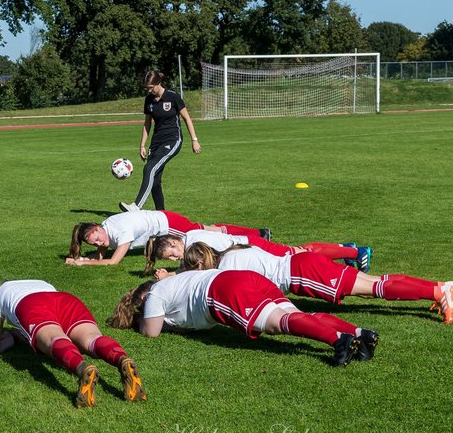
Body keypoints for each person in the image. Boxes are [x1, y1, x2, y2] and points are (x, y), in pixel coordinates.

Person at [108, 269, 379, 366]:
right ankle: (358, 333)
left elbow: (151, 333)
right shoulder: (174, 282)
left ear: (143, 298)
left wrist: (140, 321)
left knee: (276, 324)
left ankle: (338, 340)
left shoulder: (155, 294)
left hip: (223, 291)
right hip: (243, 277)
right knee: (294, 315)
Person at [163, 239, 453, 324]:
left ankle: (439, 290)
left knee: (373, 288)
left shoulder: (225, 267)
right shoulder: (234, 250)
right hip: (302, 264)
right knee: (375, 281)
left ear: (200, 264)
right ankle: (437, 289)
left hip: (302, 273)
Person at [0, 279, 144, 408]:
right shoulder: (40, 282)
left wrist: (14, 335)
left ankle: (82, 368)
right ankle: (122, 359)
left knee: (54, 339)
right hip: (65, 299)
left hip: (30, 303)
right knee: (92, 339)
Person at [66, 208, 272, 268]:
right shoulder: (105, 227)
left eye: (99, 239)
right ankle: (258, 234)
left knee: (211, 233)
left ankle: (257, 235)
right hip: (164, 218)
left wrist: (83, 264)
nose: (101, 244)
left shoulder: (120, 231)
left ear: (97, 227)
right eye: (95, 243)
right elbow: (101, 256)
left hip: (168, 224)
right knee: (209, 230)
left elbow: (112, 261)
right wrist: (83, 258)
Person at [141, 231, 372, 277]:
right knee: (298, 254)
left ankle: (355, 251)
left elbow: (198, 268)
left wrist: (171, 276)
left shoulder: (194, 242)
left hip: (251, 247)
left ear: (174, 241)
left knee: (299, 254)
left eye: (171, 252)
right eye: (168, 258)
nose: (173, 258)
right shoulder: (190, 238)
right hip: (246, 247)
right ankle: (345, 250)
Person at [126, 69, 200, 211]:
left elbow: (187, 118)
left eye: (150, 88)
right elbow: (147, 124)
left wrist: (194, 139)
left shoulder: (173, 97)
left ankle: (136, 206)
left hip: (173, 140)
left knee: (149, 168)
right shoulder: (149, 100)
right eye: (147, 88)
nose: (148, 91)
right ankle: (162, 214)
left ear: (158, 83)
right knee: (154, 182)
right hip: (156, 142)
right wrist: (142, 145)